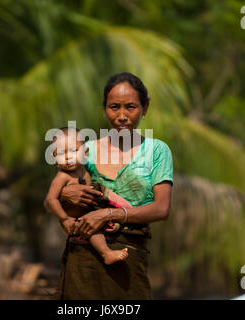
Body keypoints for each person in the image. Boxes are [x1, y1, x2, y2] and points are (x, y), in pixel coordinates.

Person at [55, 72, 174, 300]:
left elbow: (161, 209)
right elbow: (61, 201)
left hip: (129, 257)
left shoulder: (156, 151)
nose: (121, 116)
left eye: (130, 107)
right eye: (114, 107)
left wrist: (109, 214)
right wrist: (66, 194)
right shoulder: (84, 151)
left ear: (145, 108)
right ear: (104, 109)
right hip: (83, 256)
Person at [44, 127, 130, 265]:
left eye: (74, 150)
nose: (68, 157)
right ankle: (106, 253)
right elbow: (51, 199)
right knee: (93, 232)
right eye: (61, 153)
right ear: (54, 159)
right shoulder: (62, 177)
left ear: (85, 153)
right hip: (74, 219)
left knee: (100, 220)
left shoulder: (84, 170)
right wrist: (64, 219)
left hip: (89, 212)